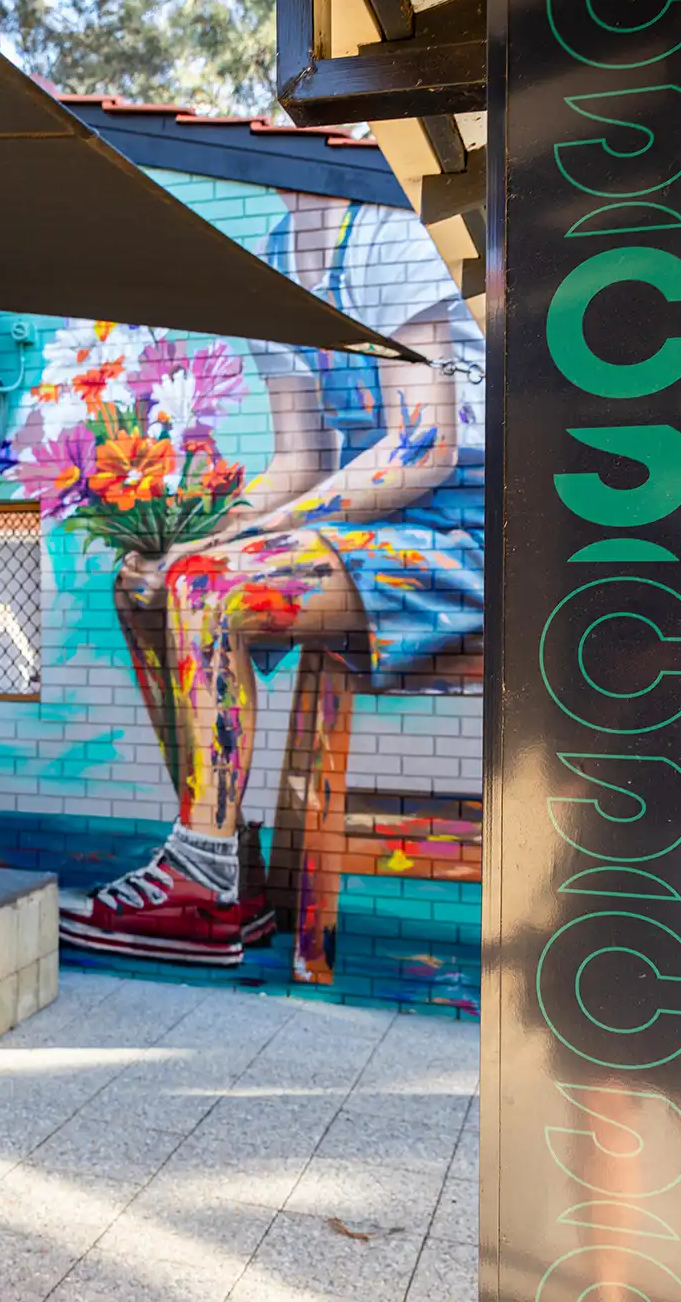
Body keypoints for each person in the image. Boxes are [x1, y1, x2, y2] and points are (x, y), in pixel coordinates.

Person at [61, 194, 485, 966]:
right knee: (147, 584)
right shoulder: (279, 254)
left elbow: (425, 445)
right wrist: (197, 534)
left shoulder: (390, 233)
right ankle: (223, 861)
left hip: (467, 533)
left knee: (207, 589)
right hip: (369, 526)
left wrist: (259, 536)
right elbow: (301, 460)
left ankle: (201, 886)